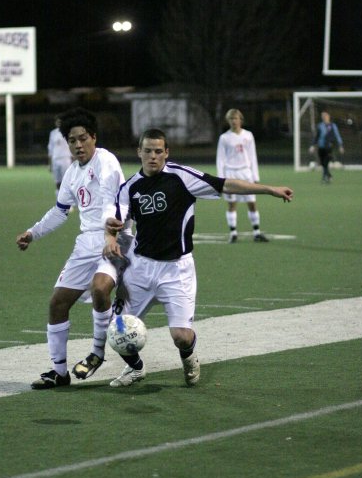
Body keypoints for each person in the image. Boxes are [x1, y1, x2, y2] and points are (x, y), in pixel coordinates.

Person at [102, 128, 293, 389]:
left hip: (177, 270)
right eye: (148, 151)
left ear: (167, 153)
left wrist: (268, 189)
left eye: (159, 151)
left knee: (181, 336)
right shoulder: (129, 188)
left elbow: (225, 184)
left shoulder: (181, 177)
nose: (153, 156)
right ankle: (136, 369)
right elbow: (116, 220)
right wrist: (110, 238)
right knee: (116, 330)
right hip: (140, 269)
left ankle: (189, 357)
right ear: (139, 152)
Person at [16, 107, 132, 389]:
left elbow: (111, 202)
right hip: (86, 243)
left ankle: (97, 352)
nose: (78, 145)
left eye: (83, 138)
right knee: (57, 302)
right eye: (72, 141)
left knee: (100, 287)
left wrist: (109, 236)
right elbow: (60, 211)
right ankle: (59, 372)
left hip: (116, 237)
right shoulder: (71, 173)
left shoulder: (106, 162)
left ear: (94, 137)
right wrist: (33, 232)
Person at [216, 108, 268, 243]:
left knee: (252, 203)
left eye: (236, 118)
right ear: (228, 121)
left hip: (246, 173)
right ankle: (233, 233)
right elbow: (220, 159)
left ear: (241, 120)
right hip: (231, 173)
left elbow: (252, 156)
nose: (234, 121)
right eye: (231, 119)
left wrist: (255, 176)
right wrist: (221, 179)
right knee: (232, 204)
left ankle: (256, 232)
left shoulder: (248, 135)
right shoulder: (224, 138)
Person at [309, 111, 344, 183]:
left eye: (325, 116)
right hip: (321, 147)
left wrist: (340, 146)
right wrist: (312, 145)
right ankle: (329, 175)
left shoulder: (332, 126)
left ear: (328, 117)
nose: (324, 117)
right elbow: (317, 137)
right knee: (322, 163)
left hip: (329, 147)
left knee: (326, 162)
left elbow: (337, 136)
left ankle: (324, 177)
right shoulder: (320, 126)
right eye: (323, 116)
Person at [48, 116, 73, 197]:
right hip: (55, 159)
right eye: (57, 121)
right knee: (57, 181)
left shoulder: (68, 132)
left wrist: (74, 160)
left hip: (66, 158)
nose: (59, 123)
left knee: (66, 181)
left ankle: (68, 202)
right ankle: (59, 200)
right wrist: (50, 164)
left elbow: (72, 145)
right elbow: (50, 148)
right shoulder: (53, 133)